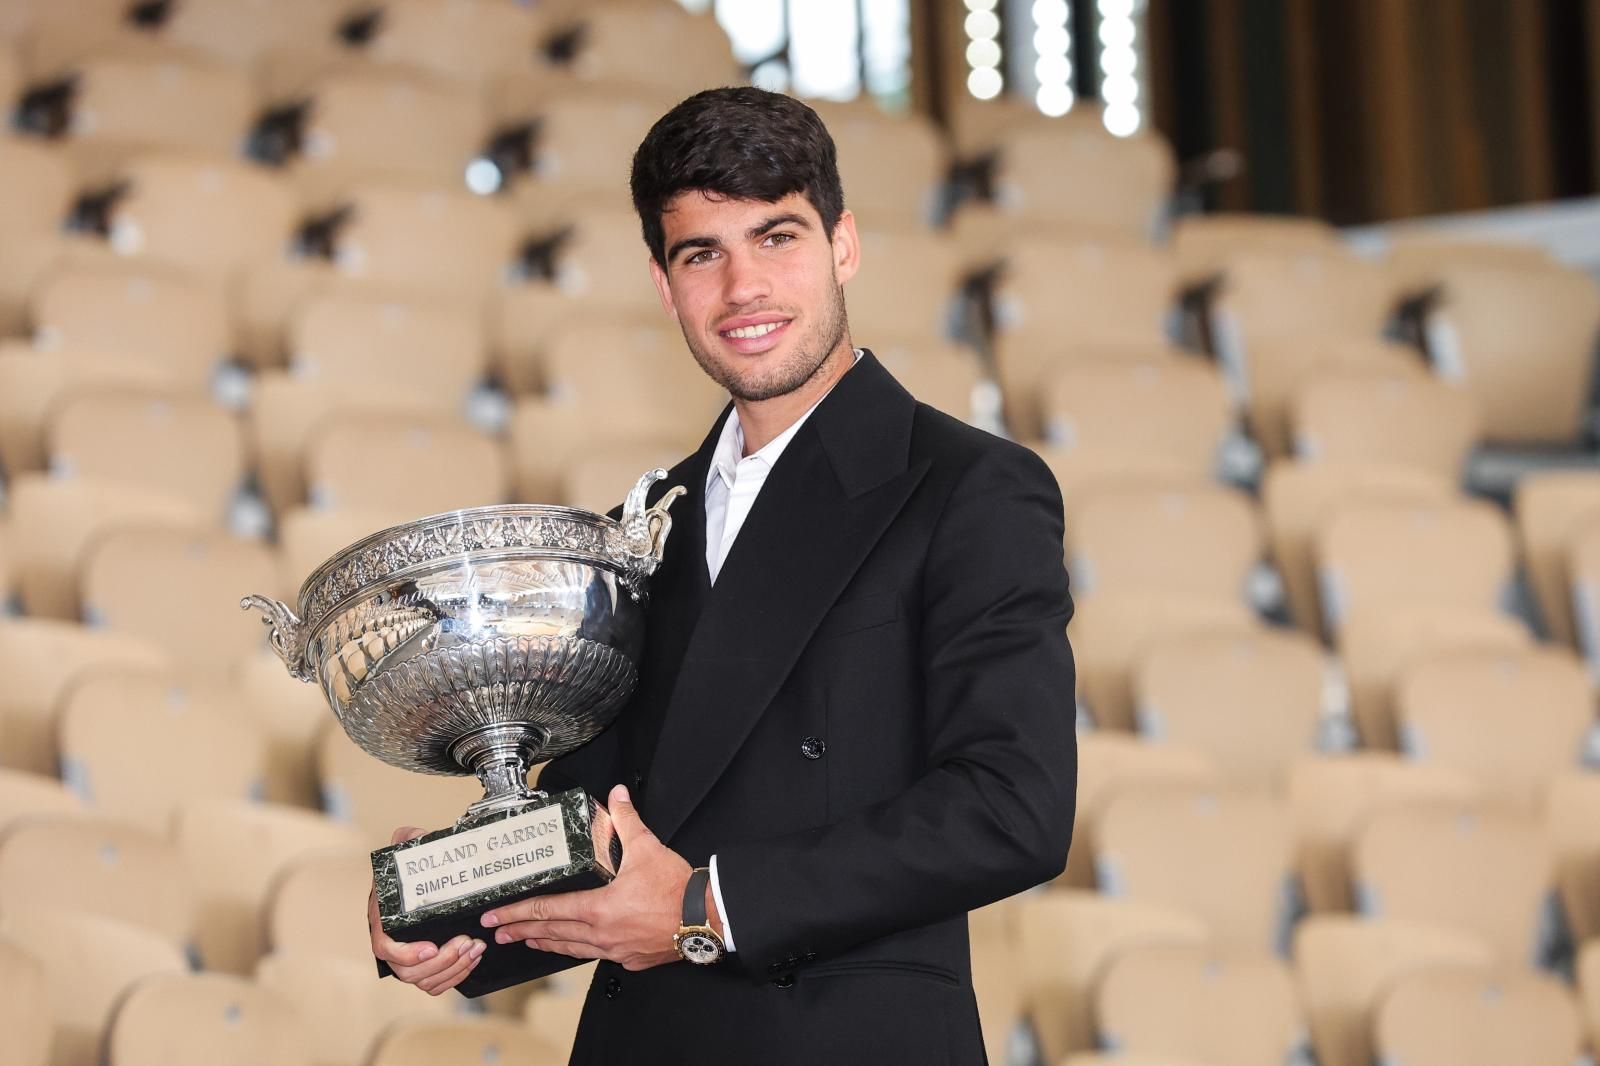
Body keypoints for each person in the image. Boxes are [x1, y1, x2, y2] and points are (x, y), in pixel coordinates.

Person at [370, 86, 1076, 1064]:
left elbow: (1011, 806)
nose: (743, 287)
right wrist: (448, 911)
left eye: (776, 237)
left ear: (844, 245)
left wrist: (706, 905)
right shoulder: (652, 517)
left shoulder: (971, 487)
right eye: (703, 253)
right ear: (666, 286)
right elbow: (604, 817)